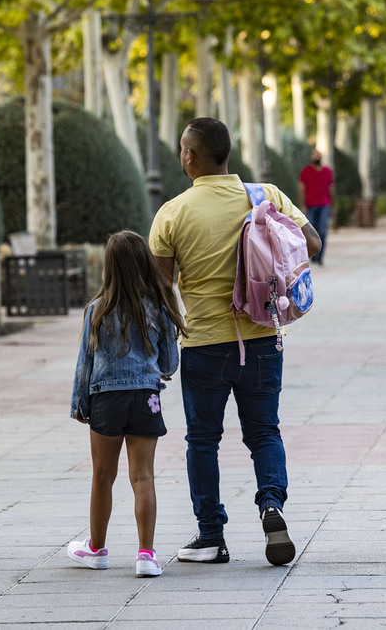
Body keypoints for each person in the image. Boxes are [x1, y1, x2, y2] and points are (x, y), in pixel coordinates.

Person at [149, 117, 321, 566]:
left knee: (202, 440)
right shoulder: (266, 195)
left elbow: (160, 288)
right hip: (263, 337)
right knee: (264, 432)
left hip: (203, 343)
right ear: (228, 154)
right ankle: (271, 506)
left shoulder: (173, 212)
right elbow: (313, 243)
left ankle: (211, 536)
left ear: (190, 156)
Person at [68, 230, 188, 578]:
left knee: (103, 476)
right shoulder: (159, 306)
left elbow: (84, 365)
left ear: (110, 267)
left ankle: (96, 549)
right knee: (143, 477)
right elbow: (168, 364)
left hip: (105, 399)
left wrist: (80, 404)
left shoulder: (97, 308)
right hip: (145, 398)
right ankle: (146, 555)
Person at [298, 148, 336, 264]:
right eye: (315, 155)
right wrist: (302, 205)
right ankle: (313, 254)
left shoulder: (327, 171)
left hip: (325, 204)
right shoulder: (305, 171)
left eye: (319, 155)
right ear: (311, 157)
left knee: (323, 231)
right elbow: (301, 188)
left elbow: (331, 189)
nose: (317, 157)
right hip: (310, 205)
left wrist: (333, 206)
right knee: (311, 231)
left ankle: (320, 256)